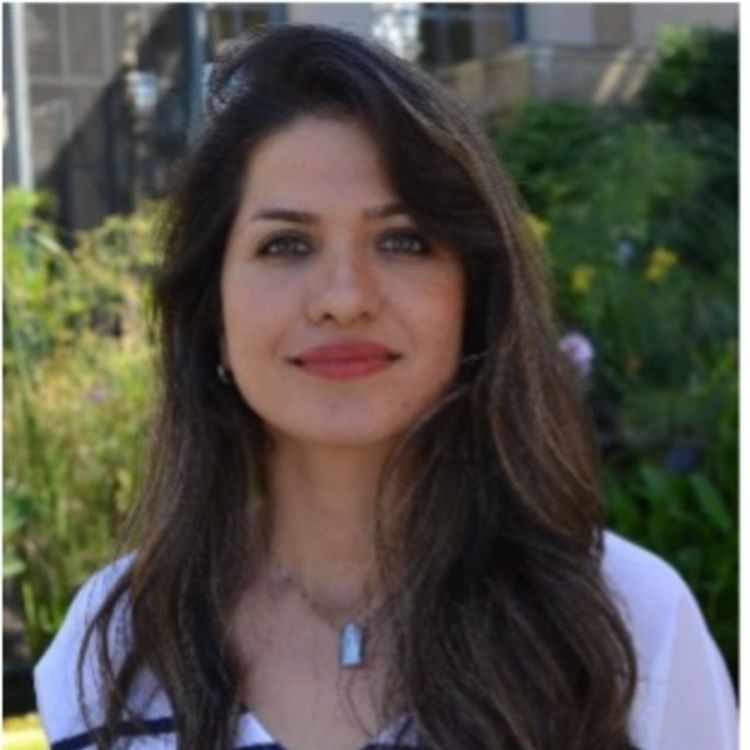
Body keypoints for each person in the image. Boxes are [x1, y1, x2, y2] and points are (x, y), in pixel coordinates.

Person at [34, 23, 736, 750]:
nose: (344, 299)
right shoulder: (118, 643)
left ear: (475, 296)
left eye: (403, 241)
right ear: (213, 313)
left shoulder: (628, 623)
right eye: (286, 244)